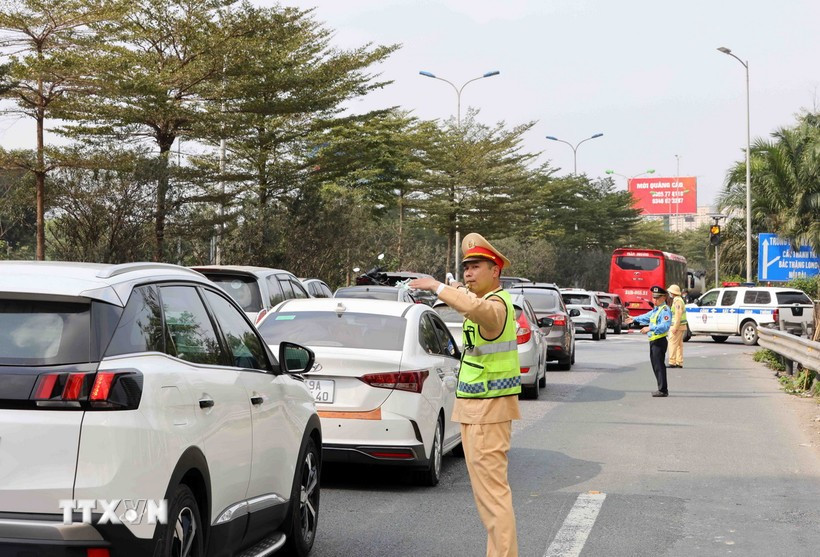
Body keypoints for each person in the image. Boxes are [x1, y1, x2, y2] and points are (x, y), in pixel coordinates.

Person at [409, 232, 520, 557]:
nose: (468, 272)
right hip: (477, 409)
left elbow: (478, 311)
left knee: (493, 498)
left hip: (489, 411)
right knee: (488, 499)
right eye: (466, 267)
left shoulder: (497, 307)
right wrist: (452, 290)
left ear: (495, 270)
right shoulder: (485, 302)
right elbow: (470, 303)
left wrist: (437, 287)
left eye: (476, 266)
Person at [624, 285, 672, 397]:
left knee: (659, 366)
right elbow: (647, 316)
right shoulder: (657, 310)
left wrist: (649, 328)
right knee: (656, 366)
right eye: (653, 298)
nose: (654, 300)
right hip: (654, 341)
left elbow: (665, 326)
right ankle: (661, 388)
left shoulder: (665, 310)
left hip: (659, 341)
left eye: (657, 298)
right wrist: (634, 318)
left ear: (664, 298)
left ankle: (663, 390)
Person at [666, 284, 687, 368]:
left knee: (672, 343)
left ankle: (672, 362)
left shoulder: (677, 301)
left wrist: (675, 327)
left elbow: (678, 315)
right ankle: (679, 362)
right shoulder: (679, 300)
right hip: (681, 326)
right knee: (679, 345)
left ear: (672, 293)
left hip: (677, 326)